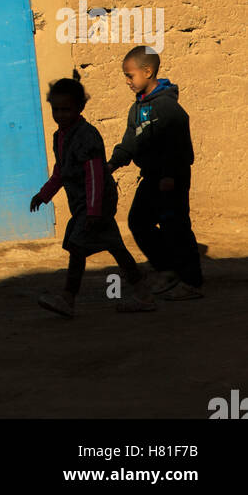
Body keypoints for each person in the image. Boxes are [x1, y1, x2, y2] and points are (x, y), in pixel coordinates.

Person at [31, 71, 156, 317]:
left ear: (79, 108)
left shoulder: (87, 137)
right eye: (56, 110)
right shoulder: (61, 137)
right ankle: (143, 293)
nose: (60, 116)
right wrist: (43, 195)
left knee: (78, 247)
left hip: (96, 203)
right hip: (85, 205)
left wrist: (93, 210)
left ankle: (68, 298)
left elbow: (95, 176)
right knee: (116, 247)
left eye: (66, 110)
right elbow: (61, 171)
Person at [107, 46, 202, 299]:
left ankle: (191, 282)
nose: (127, 82)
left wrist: (169, 175)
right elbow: (130, 142)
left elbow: (178, 144)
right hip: (152, 177)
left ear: (147, 72)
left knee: (176, 227)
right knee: (139, 221)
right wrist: (112, 164)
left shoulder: (168, 107)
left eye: (130, 75)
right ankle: (167, 268)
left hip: (172, 177)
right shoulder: (137, 109)